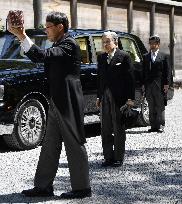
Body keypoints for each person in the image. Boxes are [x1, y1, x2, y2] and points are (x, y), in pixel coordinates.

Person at [8, 11, 91, 199]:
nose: (46, 30)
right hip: (56, 101)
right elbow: (40, 57)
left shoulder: (69, 44)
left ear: (60, 27)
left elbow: (42, 56)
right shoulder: (59, 43)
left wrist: (22, 35)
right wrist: (21, 37)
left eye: (48, 27)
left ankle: (82, 188)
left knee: (74, 143)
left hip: (67, 101)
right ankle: (43, 186)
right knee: (49, 144)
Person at [96, 31, 135, 167]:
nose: (105, 44)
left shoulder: (124, 56)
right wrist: (98, 96)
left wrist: (130, 99)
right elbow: (100, 79)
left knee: (118, 127)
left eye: (108, 41)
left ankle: (118, 157)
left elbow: (130, 80)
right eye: (104, 42)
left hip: (119, 97)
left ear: (115, 42)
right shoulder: (101, 58)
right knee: (105, 128)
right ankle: (108, 157)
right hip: (104, 97)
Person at [142, 35, 171, 133]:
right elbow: (143, 72)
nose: (152, 45)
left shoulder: (164, 56)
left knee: (160, 106)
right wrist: (143, 85)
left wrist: (166, 84)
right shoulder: (146, 56)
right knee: (151, 105)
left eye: (154, 43)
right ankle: (153, 126)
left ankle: (161, 125)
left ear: (158, 44)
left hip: (160, 85)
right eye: (150, 43)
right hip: (149, 86)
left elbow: (167, 71)